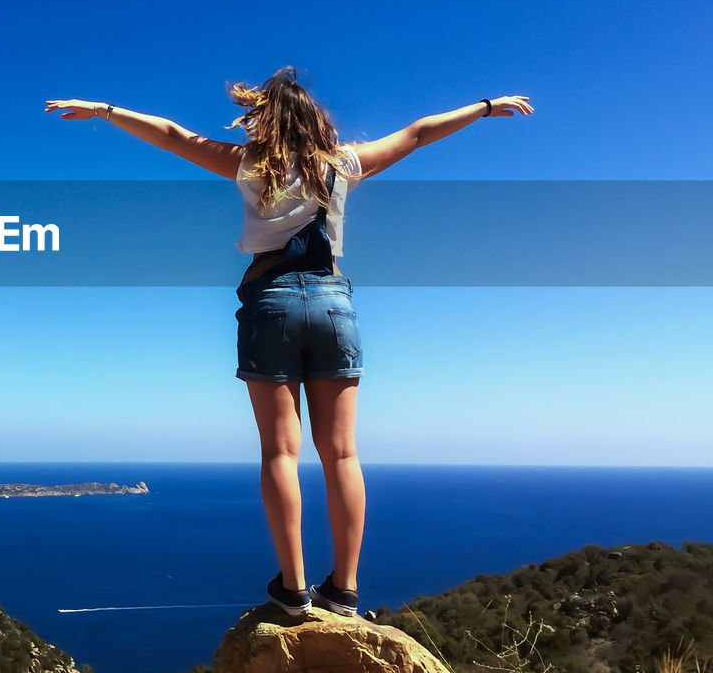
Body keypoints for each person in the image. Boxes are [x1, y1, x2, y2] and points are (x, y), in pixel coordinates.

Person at [45, 67, 534, 617]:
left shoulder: (250, 164)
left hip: (270, 302)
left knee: (281, 450)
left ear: (265, 118)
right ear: (316, 121)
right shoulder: (343, 164)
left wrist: (106, 111)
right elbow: (418, 132)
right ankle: (344, 590)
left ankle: (294, 590)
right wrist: (486, 106)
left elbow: (173, 135)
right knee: (342, 452)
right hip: (333, 304)